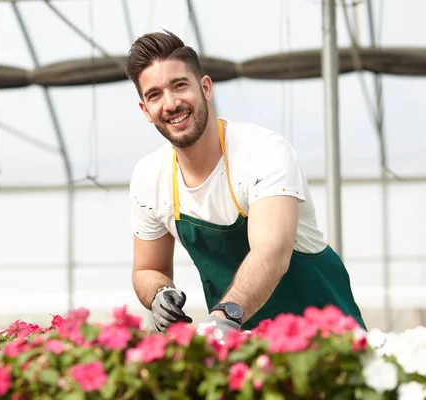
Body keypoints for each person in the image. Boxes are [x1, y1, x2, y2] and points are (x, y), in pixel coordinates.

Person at [125, 30, 366, 338]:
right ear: (145, 110)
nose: (170, 103)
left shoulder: (263, 151)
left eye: (179, 85)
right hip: (245, 350)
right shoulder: (149, 177)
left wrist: (225, 316)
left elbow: (272, 253)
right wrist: (158, 293)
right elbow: (147, 269)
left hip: (328, 343)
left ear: (206, 88)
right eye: (155, 95)